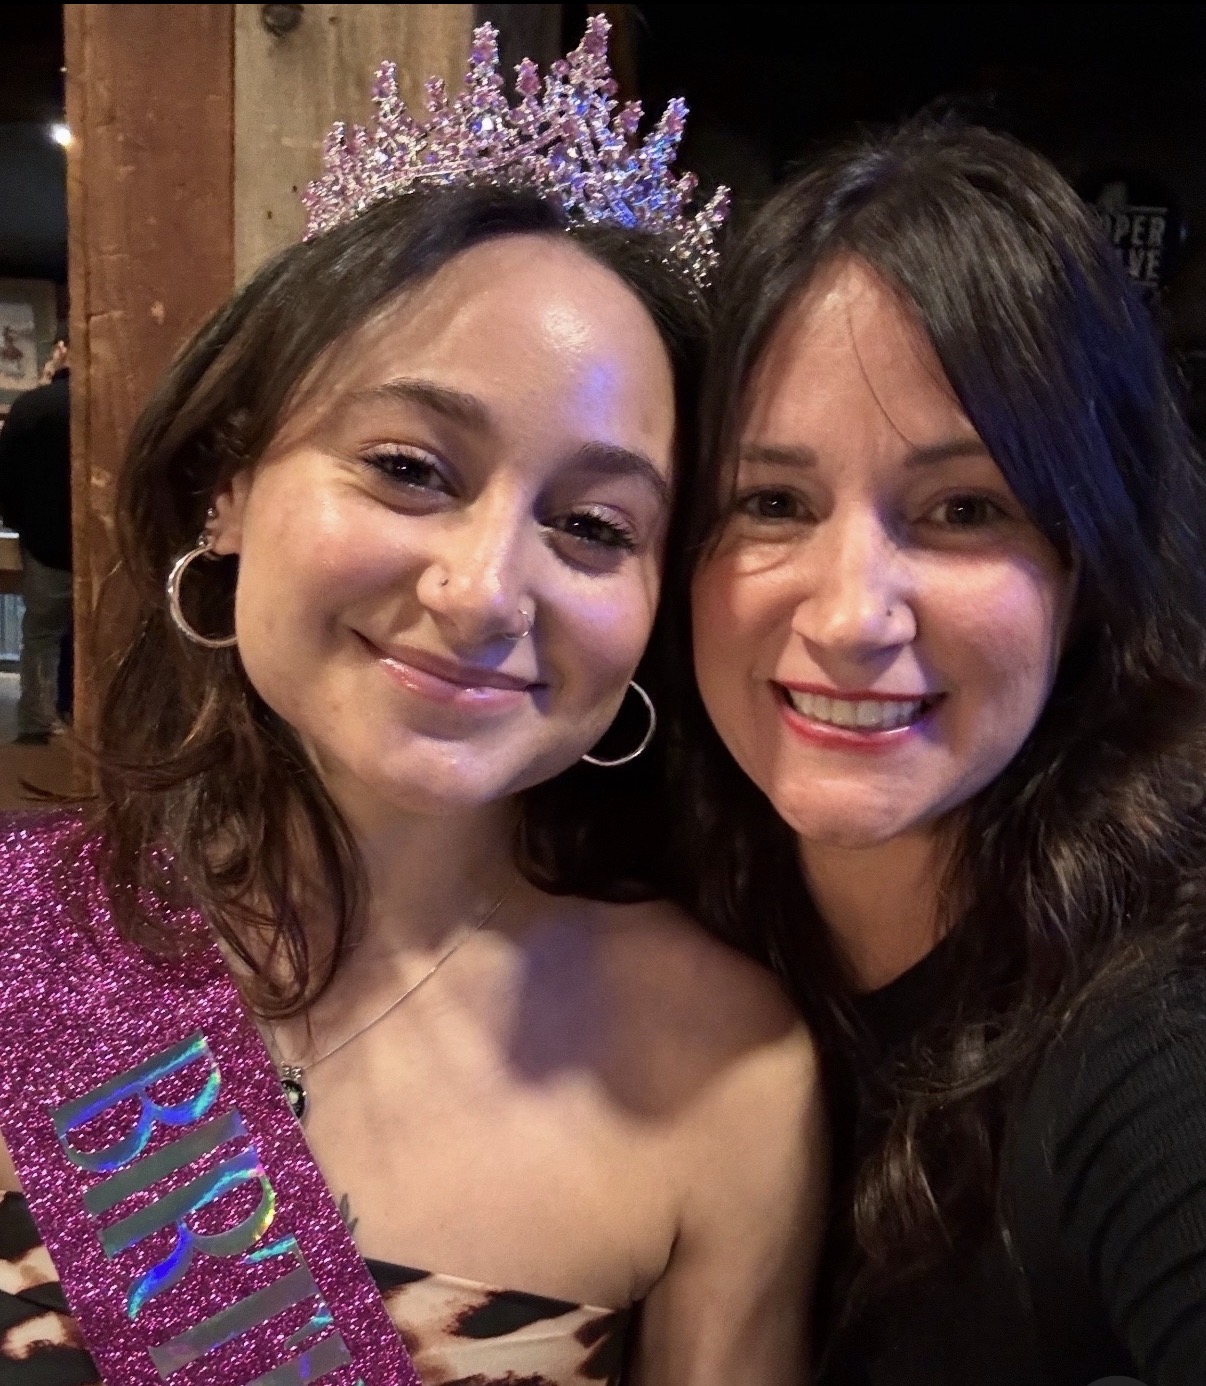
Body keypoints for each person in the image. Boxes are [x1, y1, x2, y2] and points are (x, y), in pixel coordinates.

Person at [0, 20, 826, 1386]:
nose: (484, 590)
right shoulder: (26, 930)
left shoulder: (724, 1076)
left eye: (594, 526)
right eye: (409, 467)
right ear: (229, 485)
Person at [681, 120, 1206, 1385]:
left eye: (965, 509)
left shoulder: (1154, 1023)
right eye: (772, 502)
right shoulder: (650, 909)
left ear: (1088, 569)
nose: (851, 615)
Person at [0, 336, 72, 744]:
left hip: (45, 544)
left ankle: (36, 723)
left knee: (41, 637)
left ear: (62, 352)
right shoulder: (118, 403)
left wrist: (20, 523)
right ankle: (89, 719)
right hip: (107, 546)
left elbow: (6, 476)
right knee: (100, 636)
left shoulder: (30, 407)